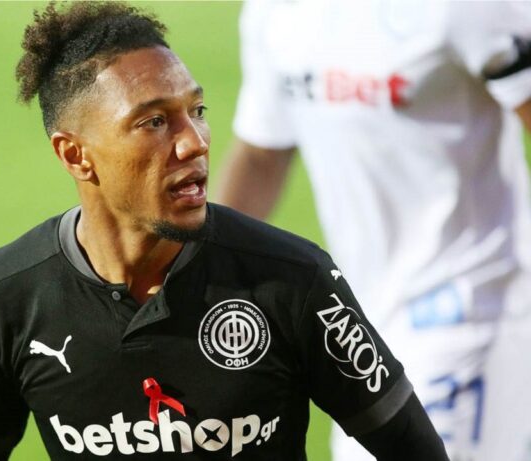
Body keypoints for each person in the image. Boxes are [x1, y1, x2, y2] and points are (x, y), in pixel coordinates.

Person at [0, 3, 448, 460]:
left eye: (197, 111)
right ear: (75, 154)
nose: (195, 142)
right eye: (154, 121)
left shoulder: (293, 280)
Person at [217, 1, 531, 460]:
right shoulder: (274, 11)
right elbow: (262, 155)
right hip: (359, 323)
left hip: (472, 309)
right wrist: (198, 272)